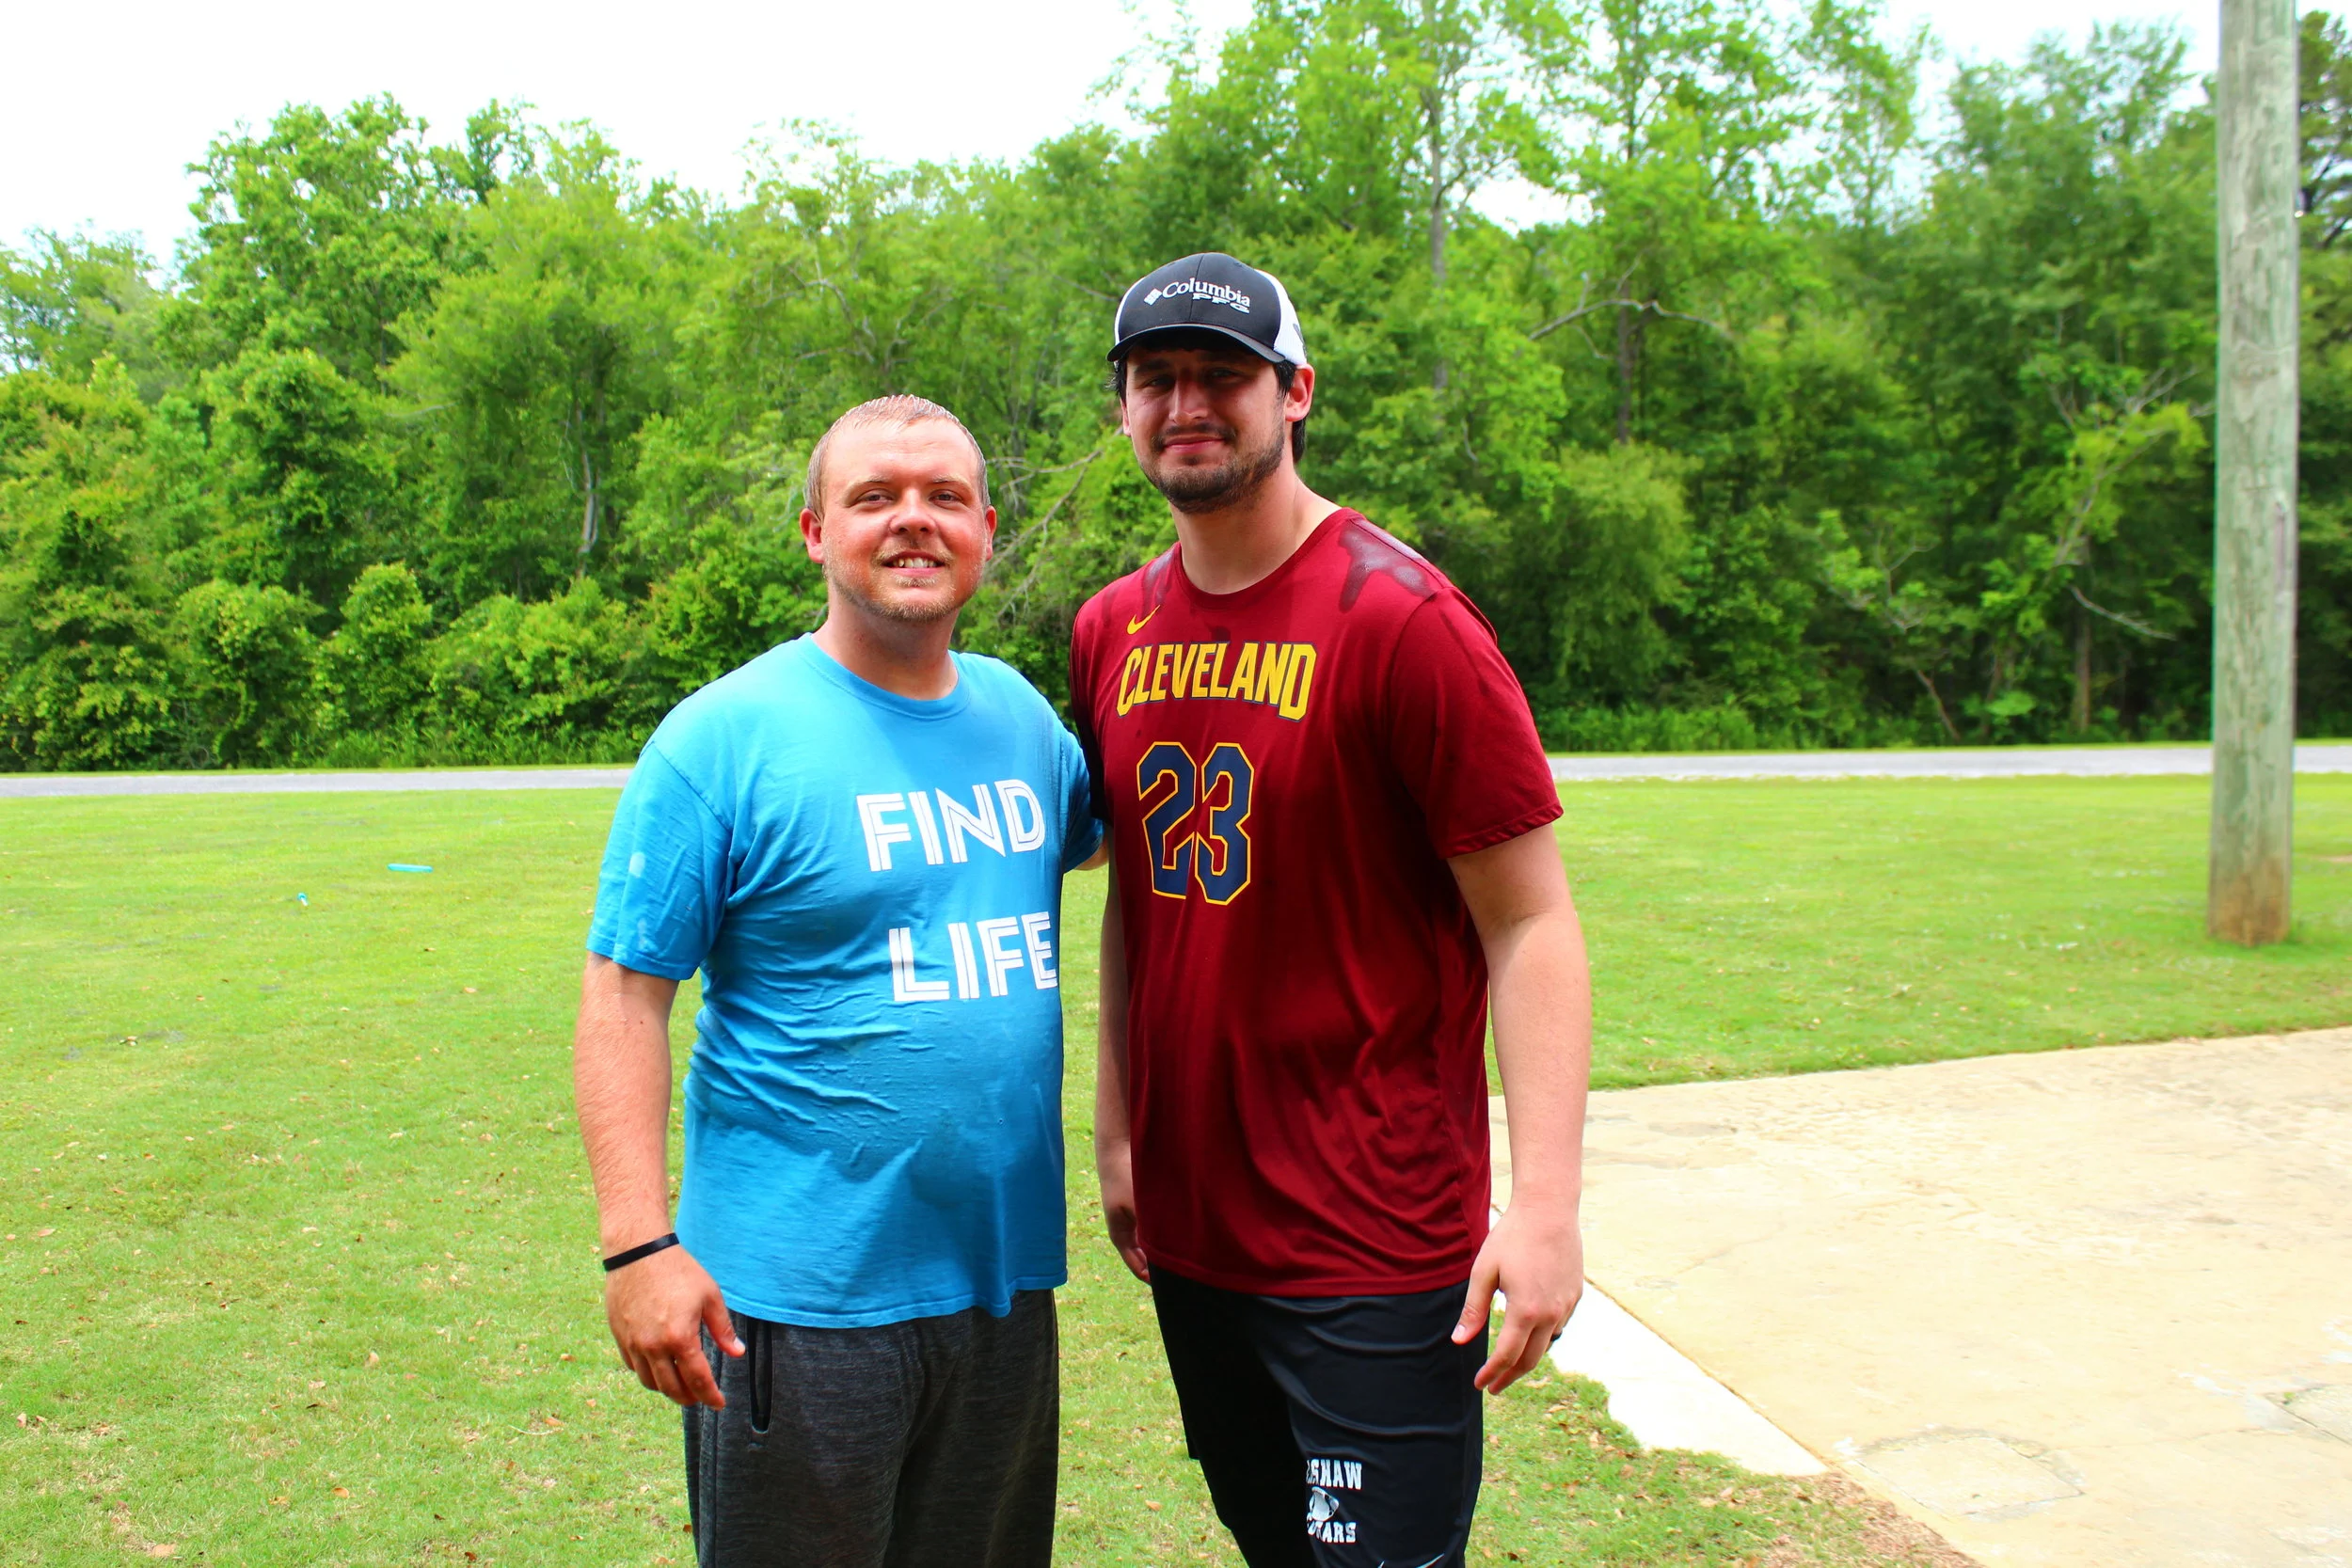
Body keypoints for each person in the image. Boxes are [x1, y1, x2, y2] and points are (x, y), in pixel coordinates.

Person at [1068, 253, 1593, 1568]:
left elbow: (1530, 921)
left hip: (1371, 1231)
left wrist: (1546, 1205)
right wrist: (1121, 1123)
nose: (1187, 402)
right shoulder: (1110, 628)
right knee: (1272, 1540)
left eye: (1223, 376)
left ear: (1295, 391)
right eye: (1156, 378)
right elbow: (1140, 893)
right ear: (1126, 410)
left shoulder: (1402, 619)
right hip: (1196, 1223)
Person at [574, 394, 1103, 1568]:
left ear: (986, 527)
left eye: (943, 497)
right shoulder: (726, 737)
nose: (912, 521)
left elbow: (1146, 838)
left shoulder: (1020, 721)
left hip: (1001, 1286)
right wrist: (636, 1245)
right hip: (796, 1306)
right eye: (875, 496)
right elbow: (623, 993)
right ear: (816, 530)